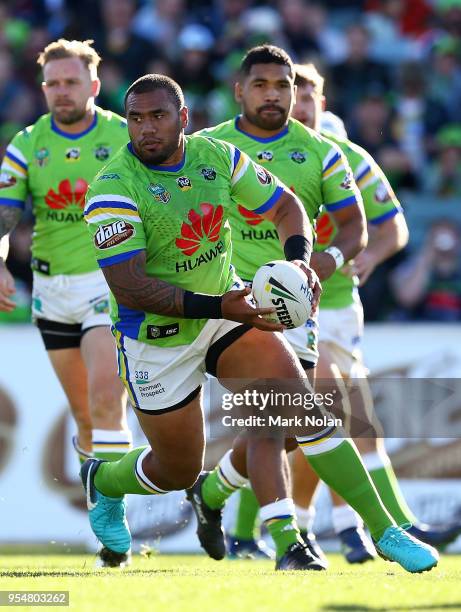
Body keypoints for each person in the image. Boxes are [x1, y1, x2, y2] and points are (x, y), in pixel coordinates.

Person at [80, 72, 438, 574]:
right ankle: (105, 480)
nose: (145, 130)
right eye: (136, 119)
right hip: (155, 336)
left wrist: (298, 262)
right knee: (178, 468)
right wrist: (223, 306)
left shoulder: (218, 157)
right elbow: (131, 287)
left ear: (183, 118)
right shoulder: (112, 188)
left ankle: (385, 531)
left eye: (157, 116)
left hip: (227, 313)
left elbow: (286, 207)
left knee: (305, 412)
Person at [185, 46, 438, 572]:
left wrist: (320, 265)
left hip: (298, 308)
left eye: (284, 86)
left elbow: (358, 226)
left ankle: (214, 494)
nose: (275, 95)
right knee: (307, 413)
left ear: (300, 94)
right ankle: (350, 533)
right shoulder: (207, 148)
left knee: (275, 424)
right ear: (240, 91)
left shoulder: (322, 151)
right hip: (230, 308)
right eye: (262, 85)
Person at [289, 62, 461, 559]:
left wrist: (371, 255)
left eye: (307, 98)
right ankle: (360, 528)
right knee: (319, 418)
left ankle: (302, 527)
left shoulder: (348, 156)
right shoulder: (257, 158)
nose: (300, 107)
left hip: (341, 308)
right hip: (287, 311)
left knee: (347, 421)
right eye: (290, 96)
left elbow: (395, 227)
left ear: (322, 103)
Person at [0, 39, 132, 567]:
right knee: (84, 417)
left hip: (109, 285)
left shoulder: (123, 135)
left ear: (93, 86)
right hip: (52, 293)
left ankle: (115, 529)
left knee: (106, 399)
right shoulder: (26, 144)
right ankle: (105, 506)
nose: (60, 92)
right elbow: (6, 214)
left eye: (71, 82)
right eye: (52, 83)